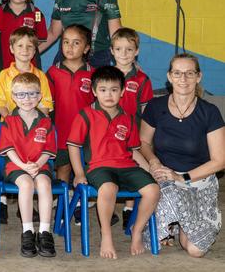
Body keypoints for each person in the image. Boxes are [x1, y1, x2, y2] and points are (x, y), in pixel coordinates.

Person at [67, 66, 160, 259]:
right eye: (103, 90)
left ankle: (137, 231)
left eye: (114, 90)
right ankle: (106, 235)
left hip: (126, 166)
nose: (108, 95)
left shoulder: (128, 118)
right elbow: (73, 146)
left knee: (153, 190)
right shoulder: (85, 115)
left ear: (123, 91)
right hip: (98, 167)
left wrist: (149, 171)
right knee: (108, 188)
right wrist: (79, 173)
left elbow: (133, 151)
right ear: (94, 91)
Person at [139, 53, 225, 258]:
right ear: (169, 77)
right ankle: (172, 220)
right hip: (166, 180)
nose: (183, 79)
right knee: (167, 198)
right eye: (177, 73)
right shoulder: (155, 107)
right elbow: (142, 142)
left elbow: (220, 161)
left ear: (198, 77)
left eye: (189, 73)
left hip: (198, 182)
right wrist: (153, 161)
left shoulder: (210, 112)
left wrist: (182, 177)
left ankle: (181, 224)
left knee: (195, 250)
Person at [0, 73, 56, 258]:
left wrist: (37, 165)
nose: (27, 99)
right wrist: (24, 165)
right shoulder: (8, 121)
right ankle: (28, 231)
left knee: (45, 184)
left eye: (32, 94)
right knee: (26, 184)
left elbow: (48, 150)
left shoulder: (46, 122)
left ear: (40, 96)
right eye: (21, 94)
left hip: (41, 165)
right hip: (16, 166)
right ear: (13, 97)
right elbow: (8, 150)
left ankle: (45, 232)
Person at [111, 27, 153, 228]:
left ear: (136, 51)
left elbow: (147, 112)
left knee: (133, 167)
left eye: (129, 49)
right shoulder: (105, 76)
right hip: (109, 134)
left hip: (133, 134)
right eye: (119, 49)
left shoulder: (142, 79)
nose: (124, 54)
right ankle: (108, 207)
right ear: (112, 51)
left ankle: (129, 208)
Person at [45, 25, 94, 185]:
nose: (69, 47)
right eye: (66, 42)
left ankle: (80, 204)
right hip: (62, 132)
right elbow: (46, 105)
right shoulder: (53, 72)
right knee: (63, 168)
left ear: (86, 48)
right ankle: (62, 205)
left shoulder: (93, 74)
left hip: (86, 134)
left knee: (86, 169)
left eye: (76, 43)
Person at [0, 27, 53, 119]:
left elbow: (45, 104)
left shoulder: (41, 76)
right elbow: (0, 103)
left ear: (34, 51)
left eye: (29, 46)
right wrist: (11, 122)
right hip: (10, 125)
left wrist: (35, 122)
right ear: (11, 49)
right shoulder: (4, 74)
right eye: (20, 45)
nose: (25, 50)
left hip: (34, 126)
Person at [0, 0, 47, 69]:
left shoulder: (37, 14)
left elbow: (41, 39)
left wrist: (28, 52)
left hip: (30, 66)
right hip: (5, 66)